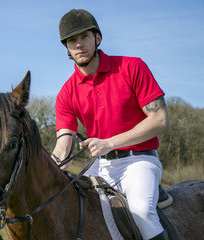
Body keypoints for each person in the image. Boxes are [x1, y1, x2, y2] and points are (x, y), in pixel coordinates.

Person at [52, 9, 170, 240]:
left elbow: (160, 120)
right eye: (71, 40)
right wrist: (47, 169)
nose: (78, 45)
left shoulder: (132, 67)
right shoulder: (66, 93)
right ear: (66, 47)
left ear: (97, 38)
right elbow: (63, 144)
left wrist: (109, 143)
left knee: (141, 213)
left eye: (84, 37)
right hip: (101, 167)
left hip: (140, 161)